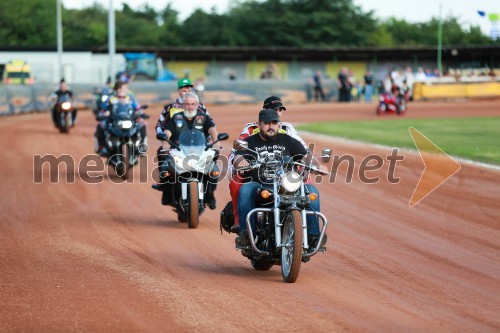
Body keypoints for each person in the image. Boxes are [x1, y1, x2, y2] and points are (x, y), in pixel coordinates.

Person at [232, 109, 327, 250]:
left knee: (312, 191)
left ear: (279, 124)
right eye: (266, 123)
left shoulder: (288, 140)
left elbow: (306, 155)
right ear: (259, 124)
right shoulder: (249, 142)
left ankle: (313, 236)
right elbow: (238, 156)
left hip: (286, 185)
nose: (271, 126)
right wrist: (241, 162)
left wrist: (318, 165)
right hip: (260, 184)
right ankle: (246, 234)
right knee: (246, 190)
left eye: (274, 123)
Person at [227, 96, 308, 231]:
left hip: (286, 177)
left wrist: (310, 163)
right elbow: (238, 150)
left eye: (279, 110)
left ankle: (310, 234)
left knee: (309, 189)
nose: (277, 112)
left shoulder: (287, 130)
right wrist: (239, 162)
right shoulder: (250, 130)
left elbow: (304, 150)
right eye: (273, 109)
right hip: (259, 177)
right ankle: (244, 229)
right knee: (242, 187)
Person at [156, 92, 219, 210]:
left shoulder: (203, 117)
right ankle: (167, 192)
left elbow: (212, 130)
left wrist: (217, 142)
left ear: (197, 105)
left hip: (200, 150)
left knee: (214, 169)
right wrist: (165, 143)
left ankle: (210, 194)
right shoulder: (176, 118)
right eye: (187, 104)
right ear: (183, 105)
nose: (190, 107)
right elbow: (167, 132)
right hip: (178, 150)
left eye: (193, 104)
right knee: (165, 166)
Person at [94, 80, 146, 156]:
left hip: (129, 120)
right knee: (101, 125)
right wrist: (103, 114)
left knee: (142, 124)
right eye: (125, 88)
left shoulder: (130, 99)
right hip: (114, 121)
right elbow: (102, 109)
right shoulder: (110, 99)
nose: (127, 90)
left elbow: (138, 108)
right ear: (118, 89)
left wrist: (141, 114)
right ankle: (102, 147)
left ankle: (141, 146)